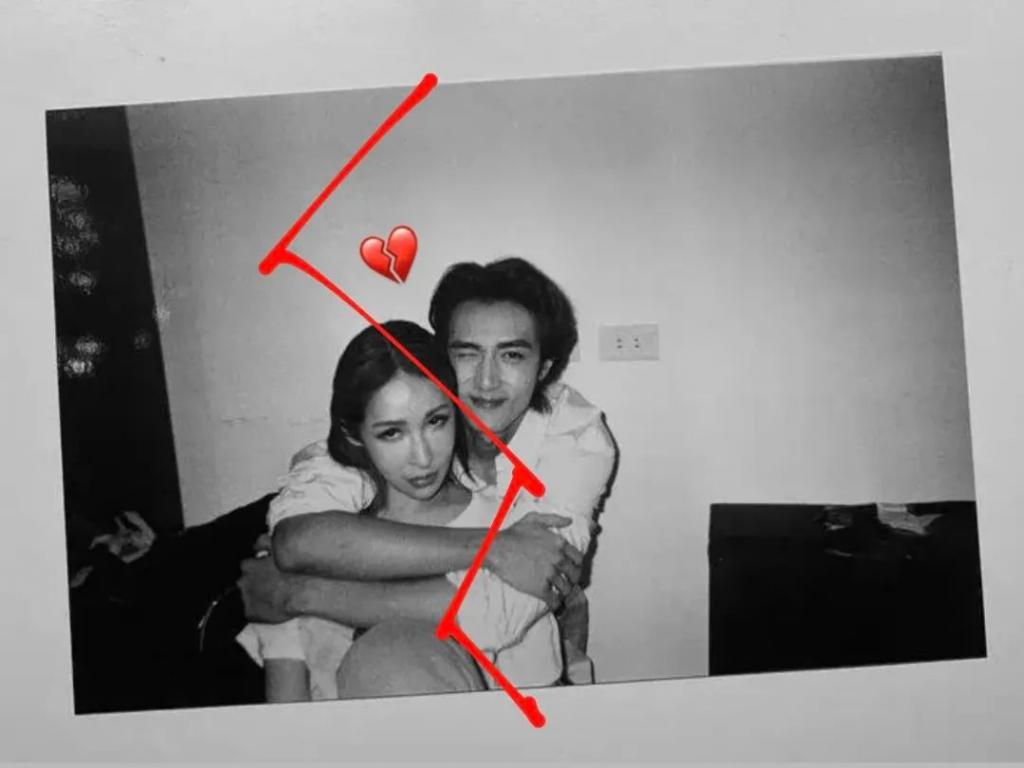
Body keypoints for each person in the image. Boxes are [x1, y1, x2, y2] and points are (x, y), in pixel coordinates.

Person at [239, 256, 617, 694]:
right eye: (467, 354)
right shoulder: (405, 419)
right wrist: (495, 547)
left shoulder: (576, 439)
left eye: (511, 355)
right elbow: (297, 540)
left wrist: (298, 595)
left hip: (525, 662)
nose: (487, 381)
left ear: (544, 368)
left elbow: (498, 613)